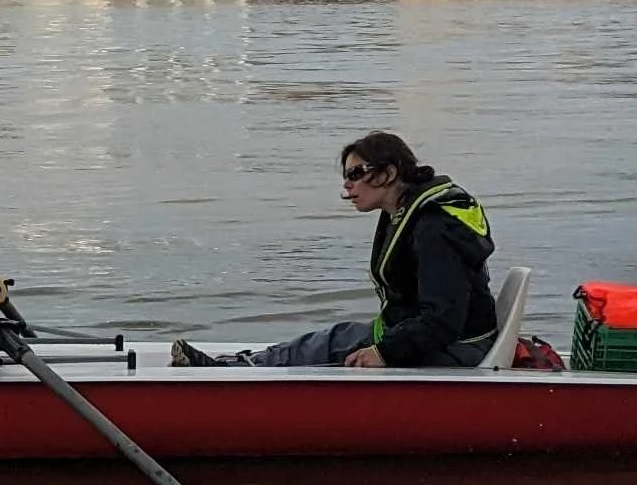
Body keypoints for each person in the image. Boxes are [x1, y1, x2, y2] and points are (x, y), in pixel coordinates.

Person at [202, 130, 496, 369]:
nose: (347, 186)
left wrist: (384, 354)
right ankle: (239, 365)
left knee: (334, 346)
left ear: (388, 173)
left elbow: (443, 320)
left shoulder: (435, 229)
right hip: (425, 336)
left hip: (458, 349)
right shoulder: (403, 214)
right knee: (333, 339)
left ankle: (234, 373)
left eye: (355, 174)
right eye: (346, 176)